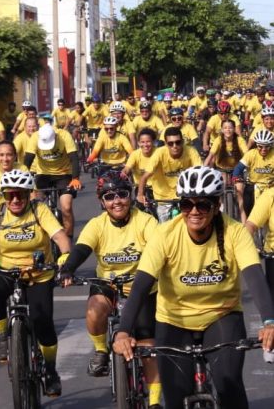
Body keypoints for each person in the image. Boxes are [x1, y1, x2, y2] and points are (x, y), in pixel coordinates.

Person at [113, 166, 274, 409]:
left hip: (222, 315)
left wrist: (269, 322)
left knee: (229, 386)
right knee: (176, 397)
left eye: (203, 205)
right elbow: (141, 285)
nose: (194, 212)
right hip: (173, 320)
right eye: (186, 205)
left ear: (217, 204)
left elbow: (254, 277)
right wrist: (123, 331)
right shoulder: (165, 234)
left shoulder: (235, 232)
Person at [0, 170, 71, 397]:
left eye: (20, 194)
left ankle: (50, 370)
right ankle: (3, 336)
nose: (15, 200)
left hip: (38, 273)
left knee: (43, 323)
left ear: (29, 194)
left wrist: (65, 256)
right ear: (4, 195)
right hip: (5, 270)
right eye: (10, 195)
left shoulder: (40, 210)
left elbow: (59, 235)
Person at [59, 174, 162, 407]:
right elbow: (82, 248)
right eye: (109, 197)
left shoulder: (146, 221)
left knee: (148, 347)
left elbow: (159, 249)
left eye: (122, 195)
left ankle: (155, 401)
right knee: (94, 310)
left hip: (142, 286)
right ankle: (100, 351)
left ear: (131, 196)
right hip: (108, 284)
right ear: (101, 202)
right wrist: (68, 269)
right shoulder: (97, 225)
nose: (117, 201)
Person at [24, 123, 82, 239]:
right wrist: (24, 179)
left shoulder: (64, 136)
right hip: (43, 174)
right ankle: (37, 235)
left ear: (55, 137)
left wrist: (75, 178)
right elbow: (27, 160)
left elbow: (74, 158)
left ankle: (68, 238)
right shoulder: (35, 137)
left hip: (64, 174)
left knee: (66, 207)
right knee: (33, 203)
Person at [137, 127, 202, 222]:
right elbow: (145, 176)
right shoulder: (159, 153)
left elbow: (200, 172)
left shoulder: (191, 151)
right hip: (162, 198)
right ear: (166, 144)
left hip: (184, 195)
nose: (174, 146)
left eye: (178, 142)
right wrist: (140, 195)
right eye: (170, 143)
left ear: (183, 141)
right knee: (165, 228)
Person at [232, 129, 274, 223]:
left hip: (271, 186)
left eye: (267, 146)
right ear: (256, 145)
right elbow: (238, 168)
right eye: (260, 146)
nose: (263, 149)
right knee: (246, 205)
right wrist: (236, 178)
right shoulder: (251, 154)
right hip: (253, 185)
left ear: (271, 145)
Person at [122, 128, 157, 199]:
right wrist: (124, 172)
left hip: (157, 188)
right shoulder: (135, 154)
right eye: (142, 142)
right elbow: (127, 167)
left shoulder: (158, 153)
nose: (145, 145)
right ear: (138, 143)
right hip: (140, 188)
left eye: (148, 142)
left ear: (153, 142)